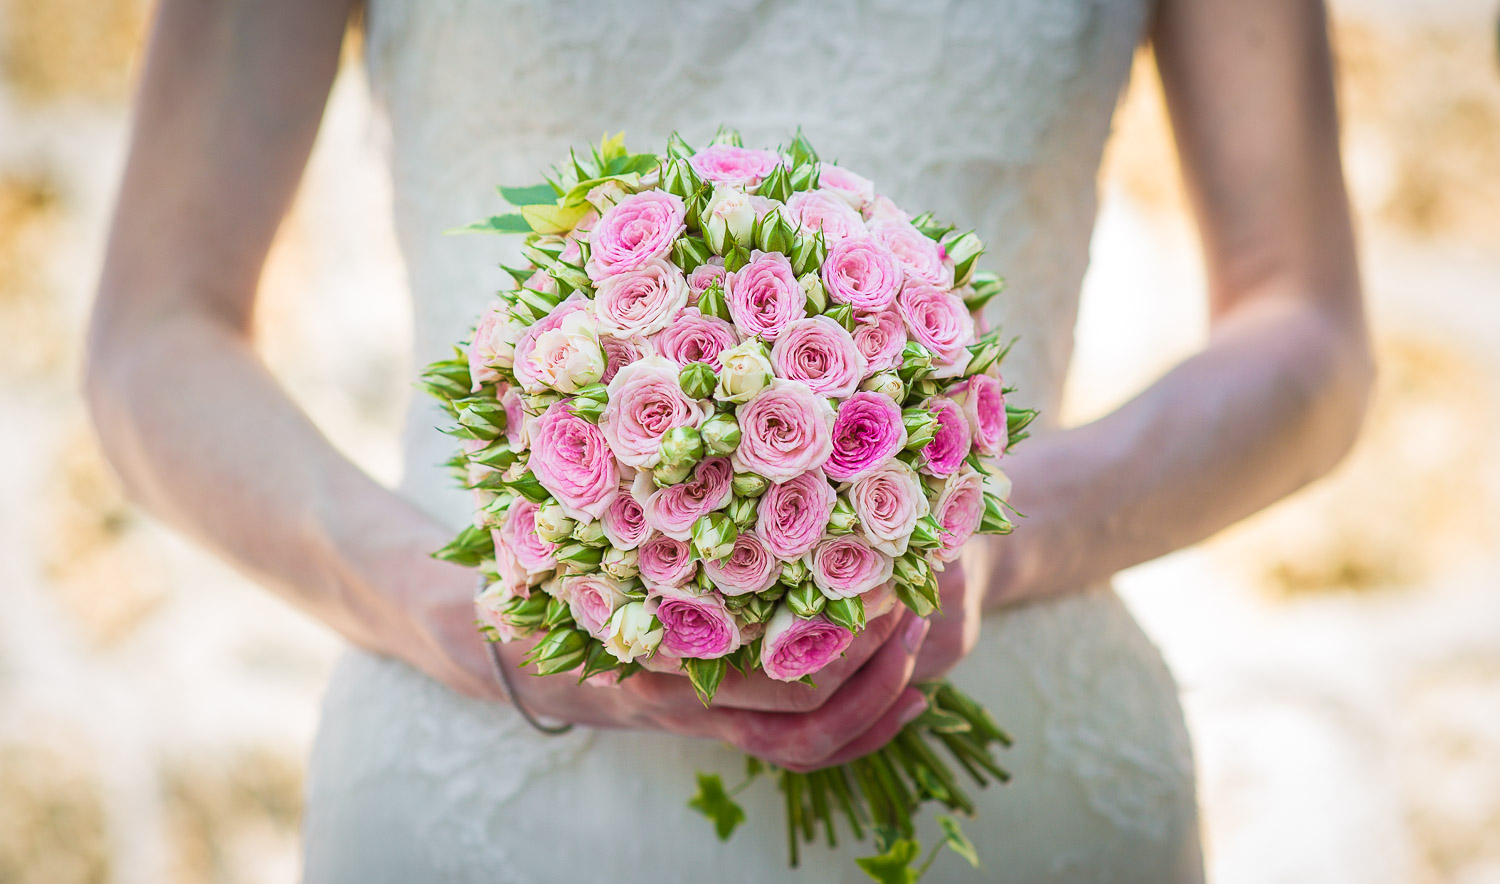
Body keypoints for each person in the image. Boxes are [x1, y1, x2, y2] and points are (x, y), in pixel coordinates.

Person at [85, 0, 1371, 880]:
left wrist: (988, 534)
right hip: (479, 787)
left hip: (1027, 785)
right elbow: (155, 335)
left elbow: (1306, 329)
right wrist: (468, 608)